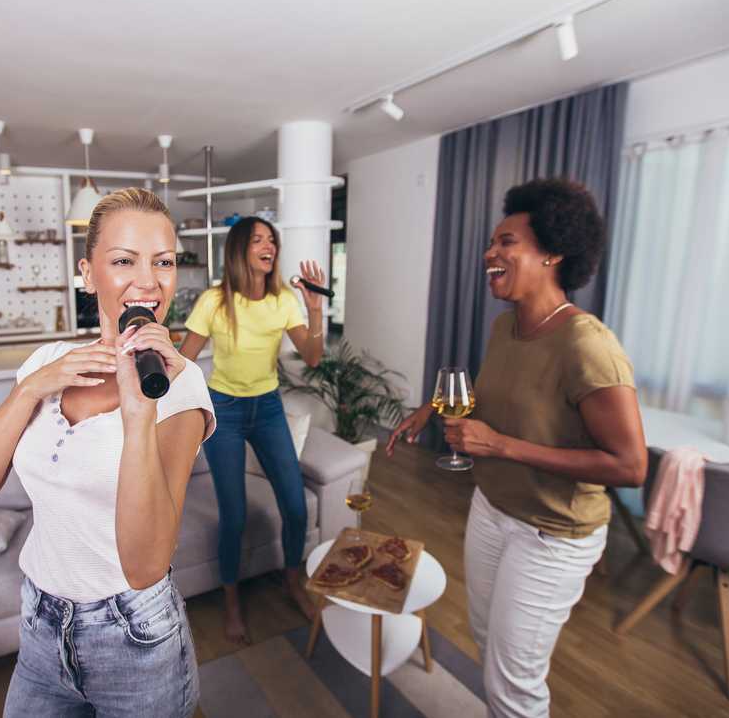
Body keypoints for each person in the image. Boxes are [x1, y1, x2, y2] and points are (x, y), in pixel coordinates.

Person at [0, 188, 215, 717]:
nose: (148, 281)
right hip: (40, 627)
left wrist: (139, 418)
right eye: (122, 261)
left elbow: (145, 566)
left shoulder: (179, 389)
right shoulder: (47, 361)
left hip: (134, 639)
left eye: (163, 262)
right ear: (88, 274)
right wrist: (29, 389)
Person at [387, 178, 647, 717]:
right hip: (492, 508)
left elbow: (631, 465)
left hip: (552, 533)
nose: (490, 253)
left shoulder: (587, 344)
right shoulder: (505, 328)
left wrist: (502, 446)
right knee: (487, 639)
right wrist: (430, 410)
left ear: (553, 252)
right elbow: (495, 396)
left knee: (513, 680)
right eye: (492, 242)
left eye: (507, 242)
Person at [179, 215, 326, 643]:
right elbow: (185, 362)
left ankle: (292, 580)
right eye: (259, 239)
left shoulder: (283, 301)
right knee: (236, 515)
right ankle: (230, 599)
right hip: (223, 410)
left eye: (272, 240)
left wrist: (315, 311)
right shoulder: (213, 301)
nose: (269, 246)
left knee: (296, 506)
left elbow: (313, 356)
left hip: (267, 408)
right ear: (240, 250)